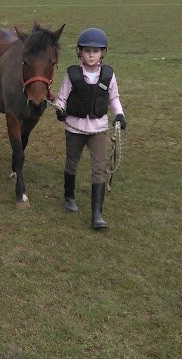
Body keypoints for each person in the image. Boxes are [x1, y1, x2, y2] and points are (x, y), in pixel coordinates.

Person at [53, 27, 126, 229]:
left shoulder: (108, 75)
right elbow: (61, 98)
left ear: (103, 52)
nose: (91, 55)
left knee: (99, 169)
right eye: (87, 51)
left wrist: (120, 114)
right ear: (80, 52)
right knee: (71, 163)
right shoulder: (72, 75)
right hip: (74, 128)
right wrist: (59, 109)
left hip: (98, 130)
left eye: (96, 51)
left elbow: (114, 98)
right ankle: (69, 197)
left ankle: (97, 213)